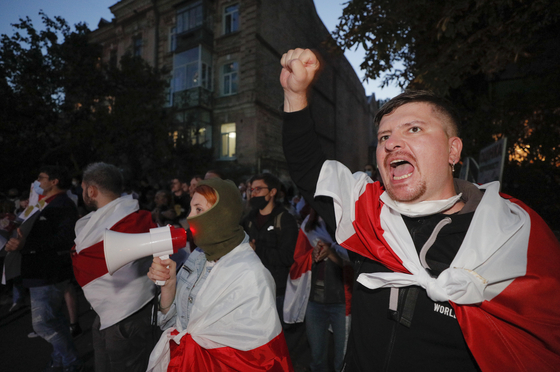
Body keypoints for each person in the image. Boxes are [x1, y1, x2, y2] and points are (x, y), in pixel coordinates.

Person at [280, 48, 560, 371]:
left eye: (413, 129)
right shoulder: (367, 215)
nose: (391, 143)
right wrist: (294, 93)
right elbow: (308, 168)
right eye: (384, 135)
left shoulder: (510, 238)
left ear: (453, 150)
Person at [146, 178, 293, 371]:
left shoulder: (251, 275)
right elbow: (173, 324)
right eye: (190, 209)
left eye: (198, 210)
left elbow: (259, 358)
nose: (190, 217)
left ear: (221, 215)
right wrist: (169, 287)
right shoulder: (197, 256)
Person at [71, 162, 160, 372]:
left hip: (126, 317)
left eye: (83, 189)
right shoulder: (139, 219)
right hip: (113, 314)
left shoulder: (120, 223)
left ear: (91, 190)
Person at [5, 165, 82, 371]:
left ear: (54, 181)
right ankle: (60, 362)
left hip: (47, 271)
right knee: (55, 319)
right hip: (38, 270)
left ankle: (72, 362)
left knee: (42, 324)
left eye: (41, 178)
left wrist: (26, 245)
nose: (37, 182)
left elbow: (64, 238)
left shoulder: (62, 204)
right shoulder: (41, 203)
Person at [284, 207, 352, 372]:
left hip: (342, 303)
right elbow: (297, 261)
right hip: (314, 302)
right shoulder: (309, 224)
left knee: (341, 361)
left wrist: (332, 254)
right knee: (317, 359)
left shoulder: (349, 222)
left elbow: (356, 264)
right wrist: (312, 255)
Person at [241, 173, 298, 320]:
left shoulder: (285, 220)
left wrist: (257, 249)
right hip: (250, 289)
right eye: (251, 190)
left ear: (272, 192)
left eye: (258, 189)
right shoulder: (248, 220)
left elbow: (288, 257)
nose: (253, 194)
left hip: (275, 291)